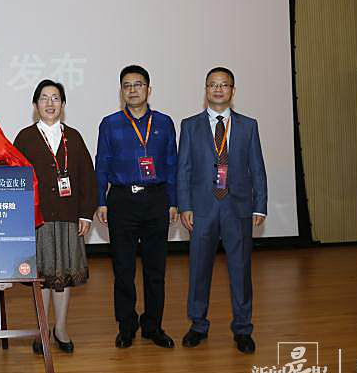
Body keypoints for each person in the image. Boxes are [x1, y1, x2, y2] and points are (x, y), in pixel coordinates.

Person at [178, 67, 267, 354]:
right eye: (213, 85)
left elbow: (257, 168)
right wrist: (185, 205)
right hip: (202, 209)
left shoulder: (248, 126)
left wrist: (260, 205)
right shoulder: (189, 126)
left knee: (240, 270)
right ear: (206, 90)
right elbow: (184, 169)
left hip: (237, 207)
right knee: (199, 269)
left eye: (224, 85)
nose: (218, 89)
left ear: (232, 90)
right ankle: (198, 325)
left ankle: (243, 328)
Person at [94, 65, 179, 349]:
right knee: (123, 269)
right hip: (122, 201)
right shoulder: (110, 124)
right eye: (127, 85)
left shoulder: (164, 123)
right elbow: (102, 164)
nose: (132, 90)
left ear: (148, 89)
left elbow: (172, 163)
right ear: (121, 91)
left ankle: (153, 325)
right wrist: (101, 200)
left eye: (138, 84)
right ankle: (127, 325)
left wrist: (173, 201)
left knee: (156, 270)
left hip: (156, 200)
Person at [13, 80, 97, 354]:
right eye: (44, 98)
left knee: (64, 275)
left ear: (63, 104)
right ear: (35, 104)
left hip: (69, 216)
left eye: (56, 98)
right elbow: (16, 180)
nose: (50, 103)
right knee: (43, 275)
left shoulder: (74, 136)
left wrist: (85, 214)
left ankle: (60, 328)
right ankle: (42, 329)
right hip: (38, 219)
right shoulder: (25, 138)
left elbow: (87, 177)